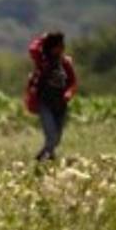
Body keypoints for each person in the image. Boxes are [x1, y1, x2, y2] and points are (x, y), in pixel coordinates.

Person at [26, 31, 77, 161]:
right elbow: (32, 48)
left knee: (57, 139)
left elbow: (73, 82)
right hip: (45, 103)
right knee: (52, 136)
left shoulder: (65, 62)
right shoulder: (42, 60)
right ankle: (41, 159)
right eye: (58, 46)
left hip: (61, 104)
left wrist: (68, 93)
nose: (61, 49)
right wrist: (44, 38)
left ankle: (48, 158)